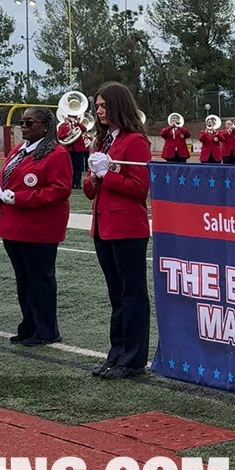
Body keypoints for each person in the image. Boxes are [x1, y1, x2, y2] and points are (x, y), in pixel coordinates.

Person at [83, 82, 152, 379]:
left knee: (132, 294)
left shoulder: (135, 141)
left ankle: (133, 358)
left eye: (103, 106)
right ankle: (117, 352)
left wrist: (106, 173)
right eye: (97, 106)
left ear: (118, 107)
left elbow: (139, 189)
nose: (99, 111)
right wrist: (95, 176)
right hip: (103, 227)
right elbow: (88, 190)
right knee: (116, 295)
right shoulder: (102, 142)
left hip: (127, 228)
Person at [0, 107, 71, 345]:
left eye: (29, 122)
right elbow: (4, 176)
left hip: (38, 229)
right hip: (13, 227)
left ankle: (46, 329)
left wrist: (21, 198)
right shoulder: (18, 150)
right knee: (23, 279)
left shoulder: (56, 154)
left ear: (45, 126)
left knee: (40, 280)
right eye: (22, 122)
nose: (23, 126)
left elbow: (60, 189)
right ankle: (29, 323)